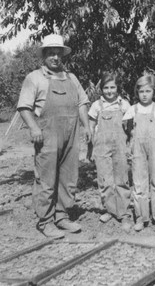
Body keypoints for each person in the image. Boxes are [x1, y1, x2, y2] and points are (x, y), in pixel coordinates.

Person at [17, 34, 91, 239]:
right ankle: (46, 221)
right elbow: (24, 107)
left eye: (59, 53)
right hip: (47, 134)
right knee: (46, 178)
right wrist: (33, 128)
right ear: (44, 55)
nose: (56, 57)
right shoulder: (34, 78)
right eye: (51, 53)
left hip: (71, 134)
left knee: (68, 176)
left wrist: (86, 127)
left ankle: (62, 215)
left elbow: (82, 103)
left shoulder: (71, 78)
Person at [122, 74, 155, 232]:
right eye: (141, 91)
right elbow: (128, 130)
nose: (144, 94)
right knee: (139, 184)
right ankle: (141, 217)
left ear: (153, 92)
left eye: (148, 91)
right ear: (137, 92)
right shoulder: (132, 110)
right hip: (138, 151)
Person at [88, 71, 131, 231]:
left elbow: (131, 126)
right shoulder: (96, 106)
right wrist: (90, 148)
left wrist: (129, 143)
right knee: (105, 180)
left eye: (112, 87)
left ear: (117, 88)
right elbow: (91, 127)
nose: (109, 91)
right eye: (106, 88)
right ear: (102, 89)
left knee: (121, 179)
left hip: (119, 146)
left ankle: (124, 213)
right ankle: (110, 210)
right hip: (101, 147)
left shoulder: (124, 105)